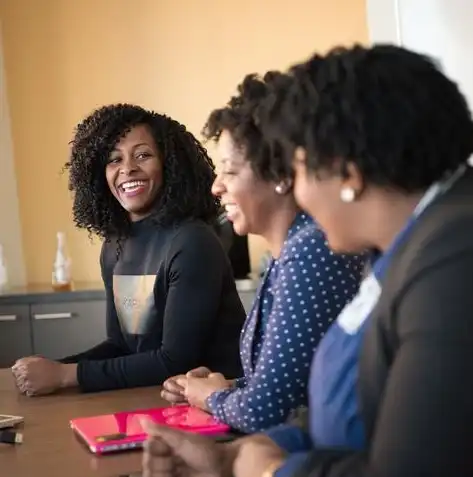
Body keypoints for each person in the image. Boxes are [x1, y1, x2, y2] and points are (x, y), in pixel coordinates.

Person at [140, 44, 473, 477]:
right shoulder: (406, 247)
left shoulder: (454, 259)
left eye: (297, 170)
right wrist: (238, 454)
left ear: (347, 172)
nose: (297, 193)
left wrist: (271, 470)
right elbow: (351, 403)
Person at [159, 76, 366, 433]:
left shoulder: (310, 250)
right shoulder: (284, 254)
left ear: (280, 176)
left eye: (230, 170)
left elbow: (265, 412)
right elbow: (290, 387)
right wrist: (223, 388)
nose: (216, 185)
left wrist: (210, 398)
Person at [11, 103, 246, 396]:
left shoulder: (192, 242)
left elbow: (174, 360)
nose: (127, 168)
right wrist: (54, 368)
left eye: (143, 155)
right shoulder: (115, 245)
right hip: (147, 396)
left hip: (213, 406)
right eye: (114, 159)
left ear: (169, 164)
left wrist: (64, 375)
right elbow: (121, 346)